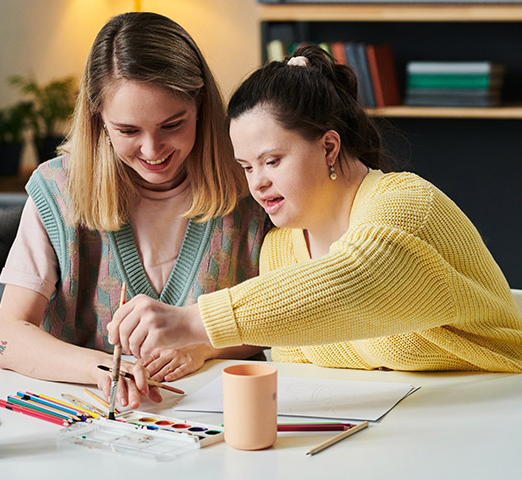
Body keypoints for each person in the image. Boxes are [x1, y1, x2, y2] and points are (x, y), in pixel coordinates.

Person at [108, 43, 522, 373]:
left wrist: (193, 323)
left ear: (328, 146)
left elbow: (355, 280)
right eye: (247, 167)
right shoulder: (281, 250)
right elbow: (305, 378)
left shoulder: (407, 205)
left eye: (272, 161)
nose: (258, 182)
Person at [0, 12, 269, 409]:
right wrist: (101, 369)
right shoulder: (57, 190)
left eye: (173, 124)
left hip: (221, 417)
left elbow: (287, 316)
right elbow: (7, 338)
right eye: (128, 131)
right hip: (90, 422)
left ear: (201, 106)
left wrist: (204, 348)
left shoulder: (251, 185)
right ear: (98, 120)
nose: (153, 151)